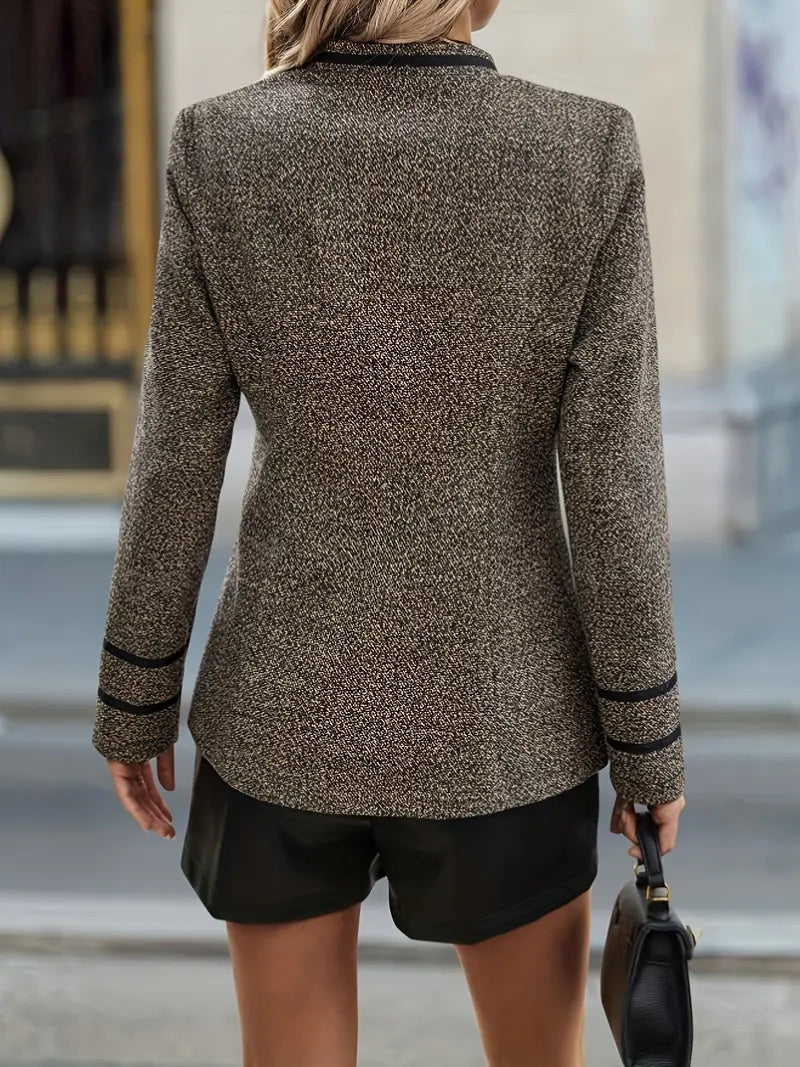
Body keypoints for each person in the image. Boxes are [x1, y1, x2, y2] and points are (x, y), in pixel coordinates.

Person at [91, 1, 686, 1064]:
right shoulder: (582, 149)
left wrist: (135, 698)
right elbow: (613, 483)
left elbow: (176, 447)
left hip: (279, 705)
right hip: (505, 715)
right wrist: (646, 743)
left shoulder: (219, 145)